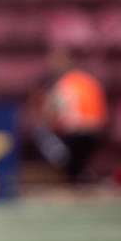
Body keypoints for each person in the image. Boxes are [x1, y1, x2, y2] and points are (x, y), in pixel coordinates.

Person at [35, 51, 109, 183]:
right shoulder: (86, 79)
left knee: (41, 132)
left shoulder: (63, 84)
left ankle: (62, 158)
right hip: (95, 131)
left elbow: (52, 111)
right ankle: (79, 172)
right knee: (78, 161)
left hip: (75, 133)